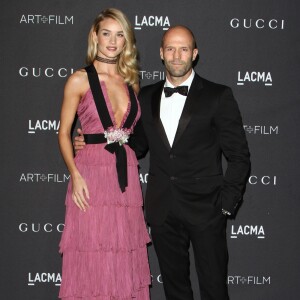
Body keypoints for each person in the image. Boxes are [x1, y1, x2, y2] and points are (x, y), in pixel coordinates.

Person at [75, 25, 250, 300]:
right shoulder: (145, 96)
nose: (176, 55)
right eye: (170, 48)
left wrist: (226, 204)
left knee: (215, 288)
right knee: (174, 289)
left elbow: (239, 157)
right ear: (161, 53)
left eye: (183, 49)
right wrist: (94, 141)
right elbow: (137, 146)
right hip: (162, 209)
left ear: (194, 53)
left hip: (207, 209)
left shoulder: (218, 96)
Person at [58, 8, 150, 300]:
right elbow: (63, 133)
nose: (113, 41)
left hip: (126, 178)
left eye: (120, 34)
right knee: (93, 254)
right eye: (106, 33)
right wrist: (75, 174)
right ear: (95, 37)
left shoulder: (131, 82)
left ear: (127, 41)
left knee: (124, 252)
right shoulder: (78, 80)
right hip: (91, 175)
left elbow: (135, 135)